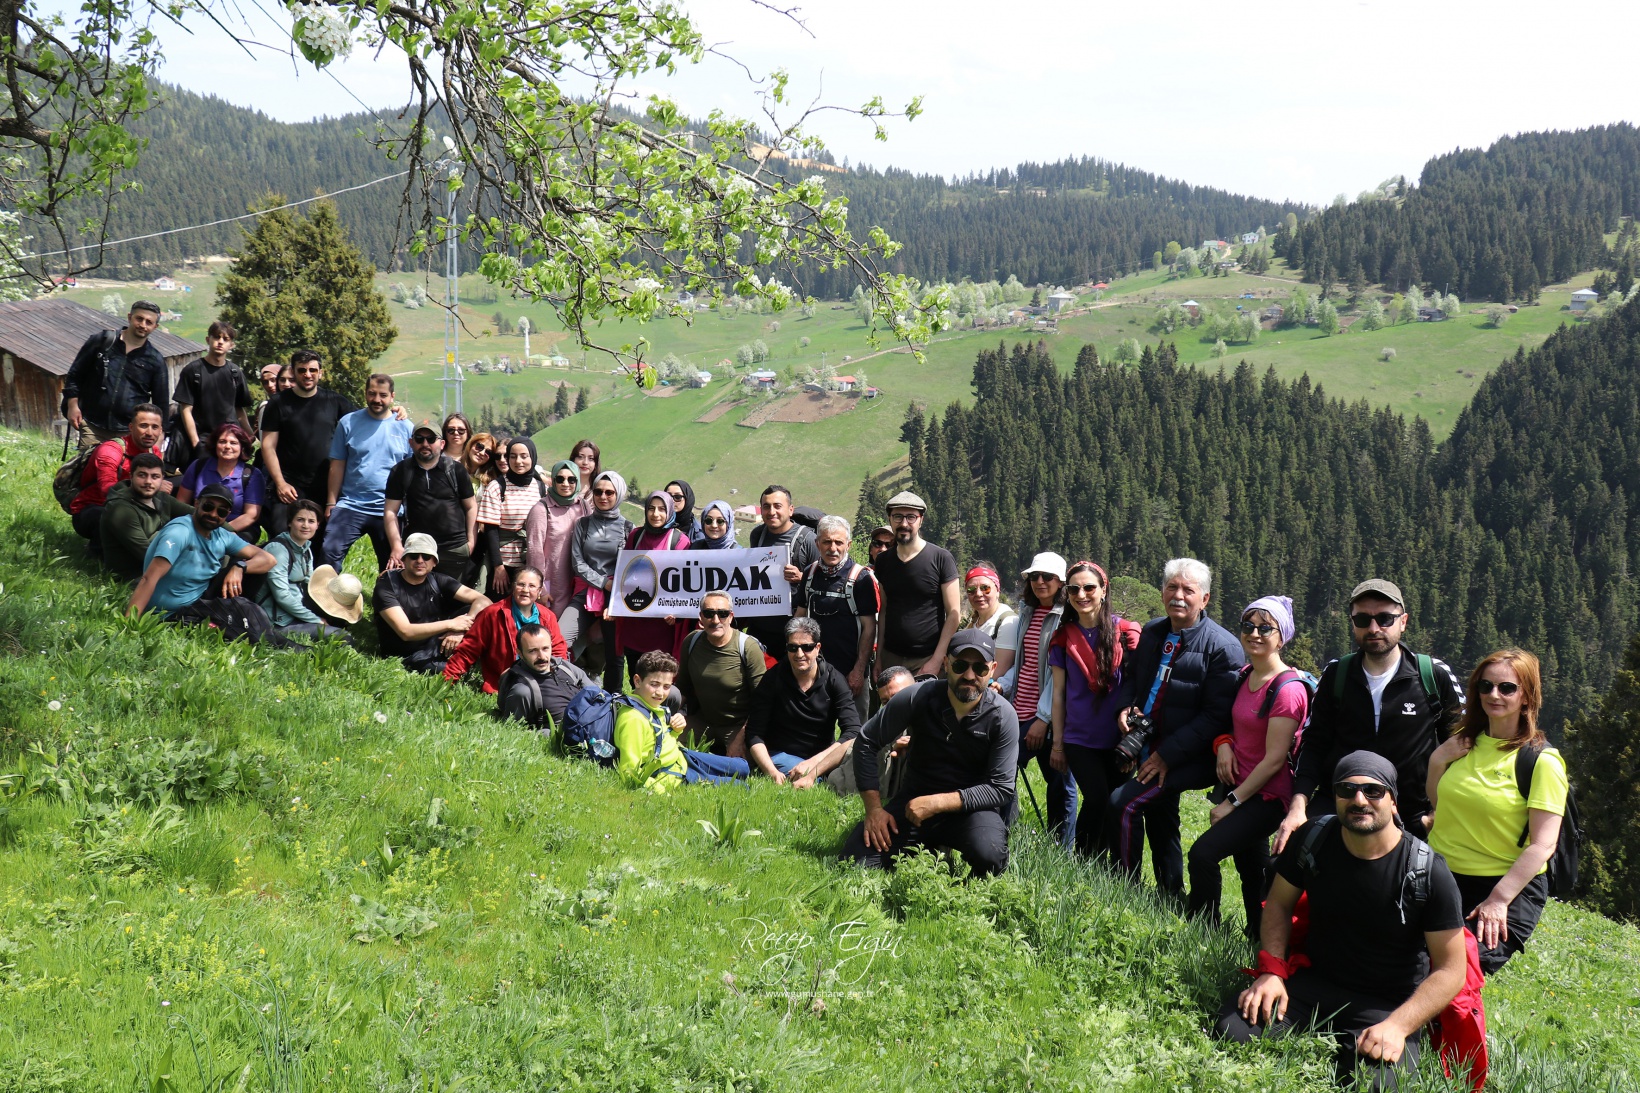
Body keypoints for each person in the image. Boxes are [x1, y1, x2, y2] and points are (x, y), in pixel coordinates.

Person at [1216, 752, 1466, 1091]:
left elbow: (1452, 970)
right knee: (1232, 1030)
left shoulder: (1426, 869)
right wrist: (1272, 969)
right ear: (1335, 797)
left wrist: (1398, 1026)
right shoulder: (1314, 838)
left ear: (1394, 801)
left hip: (1386, 1003)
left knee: (1372, 1085)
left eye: (1373, 791)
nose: (1359, 799)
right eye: (1346, 789)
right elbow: (1277, 903)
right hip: (1314, 982)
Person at [1278, 579, 1464, 854]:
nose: (1374, 628)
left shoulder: (1432, 676)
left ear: (1403, 621)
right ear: (1353, 623)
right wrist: (1298, 806)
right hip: (1341, 805)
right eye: (1363, 619)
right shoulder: (1336, 674)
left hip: (1411, 815)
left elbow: (1463, 747)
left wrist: (1438, 813)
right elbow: (1313, 744)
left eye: (1385, 618)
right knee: (1285, 868)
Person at [1107, 558, 1245, 904]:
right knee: (1161, 815)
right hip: (1148, 742)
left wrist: (1166, 756)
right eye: (1172, 587)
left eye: (1188, 589)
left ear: (1205, 598)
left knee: (1123, 805)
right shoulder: (1154, 631)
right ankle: (1171, 894)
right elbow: (1133, 680)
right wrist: (1126, 706)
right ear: (1162, 591)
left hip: (1190, 756)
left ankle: (1122, 890)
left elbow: (1215, 717)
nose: (1178, 596)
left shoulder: (1222, 648)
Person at [1426, 649, 1568, 974]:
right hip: (1444, 877)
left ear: (1527, 697)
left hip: (1503, 885)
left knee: (1458, 970)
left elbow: (1544, 844)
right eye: (1485, 686)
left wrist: (1499, 900)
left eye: (1507, 688)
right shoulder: (1462, 744)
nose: (1494, 694)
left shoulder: (1541, 762)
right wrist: (1437, 760)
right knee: (1401, 960)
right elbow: (1441, 805)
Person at [841, 628, 1019, 877]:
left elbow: (1000, 788)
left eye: (979, 668)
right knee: (855, 856)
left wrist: (936, 803)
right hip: (914, 803)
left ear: (992, 669)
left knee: (989, 856)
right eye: (960, 666)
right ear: (946, 664)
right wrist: (874, 811)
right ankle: (929, 847)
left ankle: (960, 886)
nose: (969, 675)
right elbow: (866, 741)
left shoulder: (1003, 716)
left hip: (971, 810)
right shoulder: (917, 697)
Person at [1186, 596, 1309, 933]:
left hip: (1268, 797)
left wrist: (1231, 802)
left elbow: (1273, 760)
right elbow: (1231, 725)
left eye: (1265, 628)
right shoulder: (1245, 676)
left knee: (1203, 855)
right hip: (1244, 786)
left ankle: (1202, 930)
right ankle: (1258, 934)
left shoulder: (1287, 691)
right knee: (1251, 868)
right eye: (1248, 626)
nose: (1254, 634)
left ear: (1281, 637)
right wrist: (1223, 745)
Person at [1046, 561, 1142, 858]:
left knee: (1117, 804)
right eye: (1074, 589)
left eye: (1089, 587)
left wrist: (1135, 741)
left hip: (1119, 738)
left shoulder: (1127, 633)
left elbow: (1140, 687)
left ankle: (1115, 869)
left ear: (1104, 590)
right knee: (1098, 798)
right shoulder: (1062, 638)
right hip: (1079, 739)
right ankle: (1084, 862)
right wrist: (1058, 744)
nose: (1082, 594)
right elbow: (1058, 694)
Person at [745, 617, 862, 786]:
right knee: (789, 765)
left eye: (807, 647)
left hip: (821, 758)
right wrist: (771, 772)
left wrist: (814, 765)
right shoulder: (773, 678)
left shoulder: (834, 680)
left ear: (817, 648)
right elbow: (754, 733)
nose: (799, 654)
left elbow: (852, 731)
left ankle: (817, 776)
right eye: (793, 648)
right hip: (780, 757)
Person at [127, 484, 276, 615]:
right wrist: (130, 623)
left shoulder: (222, 535)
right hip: (171, 613)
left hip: (200, 601)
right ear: (197, 503)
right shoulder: (179, 532)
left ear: (227, 515)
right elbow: (148, 578)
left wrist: (239, 567)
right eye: (208, 507)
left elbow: (268, 560)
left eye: (221, 512)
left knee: (255, 571)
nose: (213, 514)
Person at [259, 351, 357, 551]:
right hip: (288, 485)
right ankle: (280, 581)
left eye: (313, 370)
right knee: (282, 537)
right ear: (293, 373)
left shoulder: (335, 401)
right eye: (302, 370)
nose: (308, 374)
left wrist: (395, 411)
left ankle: (313, 582)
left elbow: (365, 421)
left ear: (321, 373)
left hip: (324, 486)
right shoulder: (278, 403)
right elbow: (268, 445)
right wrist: (280, 483)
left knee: (320, 542)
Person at [615, 651, 752, 792]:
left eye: (666, 686)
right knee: (741, 787)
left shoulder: (649, 704)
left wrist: (675, 730)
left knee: (743, 767)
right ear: (637, 681)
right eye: (654, 684)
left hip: (683, 757)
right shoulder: (633, 719)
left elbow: (656, 742)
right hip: (674, 773)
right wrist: (661, 791)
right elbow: (629, 771)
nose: (660, 693)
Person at [794, 514, 880, 721]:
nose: (833, 548)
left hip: (852, 671)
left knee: (856, 730)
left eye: (838, 542)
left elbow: (870, 628)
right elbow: (799, 616)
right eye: (826, 541)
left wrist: (859, 671)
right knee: (817, 729)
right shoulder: (810, 573)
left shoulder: (861, 579)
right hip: (817, 670)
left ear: (848, 544)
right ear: (817, 543)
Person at [323, 374, 413, 571]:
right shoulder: (348, 423)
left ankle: (388, 600)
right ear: (365, 394)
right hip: (351, 505)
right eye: (372, 394)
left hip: (389, 508)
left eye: (383, 395)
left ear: (392, 396)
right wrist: (331, 501)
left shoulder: (405, 427)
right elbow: (337, 465)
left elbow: (412, 472)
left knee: (393, 565)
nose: (377, 400)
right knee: (329, 552)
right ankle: (325, 599)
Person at [871, 491, 960, 680]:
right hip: (891, 657)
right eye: (898, 516)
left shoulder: (941, 558)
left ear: (921, 520)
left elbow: (954, 614)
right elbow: (885, 610)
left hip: (927, 658)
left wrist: (937, 660)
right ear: (890, 519)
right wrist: (879, 658)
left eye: (911, 517)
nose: (904, 523)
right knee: (893, 710)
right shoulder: (884, 561)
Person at [372, 532, 491, 673]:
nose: (420, 561)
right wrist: (451, 624)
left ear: (434, 562)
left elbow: (484, 600)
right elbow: (405, 631)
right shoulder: (387, 586)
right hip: (406, 653)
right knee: (454, 672)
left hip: (435, 642)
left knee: (482, 611)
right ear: (404, 559)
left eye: (426, 557)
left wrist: (460, 629)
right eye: (414, 556)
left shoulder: (438, 579)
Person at [443, 566, 568, 692]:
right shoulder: (492, 614)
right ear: (513, 586)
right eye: (521, 584)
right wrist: (446, 682)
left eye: (531, 586)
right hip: (505, 685)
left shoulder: (548, 616)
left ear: (540, 591)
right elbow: (469, 650)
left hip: (543, 683)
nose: (525, 590)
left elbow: (558, 651)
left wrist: (560, 682)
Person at [62, 300, 168, 449]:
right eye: (139, 319)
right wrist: (72, 406)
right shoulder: (102, 341)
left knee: (124, 472)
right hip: (92, 424)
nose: (143, 325)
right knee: (91, 469)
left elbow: (161, 403)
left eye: (149, 322)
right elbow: (75, 374)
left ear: (155, 327)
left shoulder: (155, 360)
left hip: (129, 431)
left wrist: (159, 438)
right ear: (130, 317)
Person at [998, 552, 1065, 778]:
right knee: (1003, 769)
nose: (1039, 582)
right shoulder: (1028, 612)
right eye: (1034, 576)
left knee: (1058, 780)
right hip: (1019, 709)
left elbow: (1061, 675)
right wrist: (1002, 684)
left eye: (1047, 576)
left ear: (1061, 582)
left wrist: (1043, 717)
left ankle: (1061, 817)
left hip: (1046, 714)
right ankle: (1004, 815)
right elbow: (1025, 663)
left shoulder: (1067, 618)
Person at [676, 591, 766, 757]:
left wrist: (741, 738)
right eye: (709, 614)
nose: (716, 620)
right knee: (664, 745)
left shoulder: (748, 647)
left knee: (740, 767)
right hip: (703, 721)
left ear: (731, 617)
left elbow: (762, 701)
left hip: (739, 725)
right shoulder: (692, 641)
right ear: (701, 617)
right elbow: (682, 687)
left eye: (722, 614)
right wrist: (667, 716)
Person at [67, 402, 167, 550]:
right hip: (93, 508)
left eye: (155, 427)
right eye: (143, 426)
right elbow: (109, 491)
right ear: (131, 427)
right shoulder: (111, 450)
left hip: (133, 508)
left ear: (161, 431)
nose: (149, 433)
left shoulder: (155, 453)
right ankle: (97, 553)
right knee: (110, 515)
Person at [567, 469, 633, 691]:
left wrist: (611, 589)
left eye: (609, 492)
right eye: (598, 492)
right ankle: (566, 687)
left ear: (619, 495)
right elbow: (577, 562)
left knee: (615, 653)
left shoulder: (628, 528)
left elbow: (629, 565)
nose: (603, 497)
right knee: (560, 638)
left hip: (614, 596)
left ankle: (612, 698)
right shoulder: (583, 524)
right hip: (586, 591)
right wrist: (602, 582)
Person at [614, 490, 692, 676]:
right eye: (651, 508)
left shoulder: (679, 541)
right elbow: (624, 572)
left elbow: (684, 583)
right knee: (637, 678)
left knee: (659, 678)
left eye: (661, 509)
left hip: (662, 628)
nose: (655, 514)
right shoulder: (636, 536)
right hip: (635, 624)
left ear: (670, 511)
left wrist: (677, 610)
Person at [384, 425, 476, 581]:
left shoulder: (456, 470)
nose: (425, 444)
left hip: (454, 547)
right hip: (417, 549)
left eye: (431, 439)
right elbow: (390, 511)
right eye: (419, 439)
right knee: (417, 598)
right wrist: (396, 545)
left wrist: (471, 541)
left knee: (453, 600)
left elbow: (471, 506)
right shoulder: (400, 471)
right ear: (411, 443)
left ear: (442, 444)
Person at [257, 500, 357, 638]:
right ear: (290, 522)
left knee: (340, 621)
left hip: (297, 609)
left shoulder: (306, 549)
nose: (305, 525)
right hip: (279, 621)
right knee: (343, 637)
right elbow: (282, 596)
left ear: (318, 525)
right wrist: (315, 620)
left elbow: (311, 585)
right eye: (300, 520)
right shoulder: (278, 549)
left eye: (311, 521)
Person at [742, 484, 819, 655]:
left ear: (790, 510)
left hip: (792, 630)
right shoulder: (757, 535)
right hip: (760, 627)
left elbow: (822, 582)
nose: (771, 512)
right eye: (766, 506)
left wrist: (801, 577)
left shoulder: (808, 539)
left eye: (777, 506)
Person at [524, 459, 593, 634]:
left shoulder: (582, 505)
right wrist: (540, 589)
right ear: (553, 481)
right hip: (553, 582)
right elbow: (534, 551)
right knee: (550, 629)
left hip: (577, 579)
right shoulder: (542, 509)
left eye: (571, 479)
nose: (566, 484)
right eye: (560, 479)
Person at [99, 452, 193, 579]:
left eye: (155, 477)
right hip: (134, 576)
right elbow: (147, 554)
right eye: (142, 475)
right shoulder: (120, 508)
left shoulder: (161, 497)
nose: (148, 482)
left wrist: (229, 531)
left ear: (162, 478)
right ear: (131, 476)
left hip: (163, 562)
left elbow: (198, 515)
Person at [826, 665, 916, 796]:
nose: (893, 706)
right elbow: (854, 745)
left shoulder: (936, 713)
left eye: (899, 697)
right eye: (886, 702)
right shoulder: (882, 725)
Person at [477, 437, 548, 598]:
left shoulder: (540, 487)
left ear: (533, 457)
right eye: (513, 456)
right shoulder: (497, 486)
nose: (518, 461)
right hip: (504, 564)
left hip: (530, 563)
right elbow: (491, 530)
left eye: (524, 456)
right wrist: (498, 567)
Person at [174, 321, 253, 460]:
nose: (220, 342)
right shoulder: (193, 371)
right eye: (216, 337)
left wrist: (250, 436)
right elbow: (186, 410)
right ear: (208, 339)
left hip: (230, 439)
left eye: (225, 339)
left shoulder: (235, 372)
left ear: (231, 345)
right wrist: (196, 443)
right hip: (204, 440)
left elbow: (239, 410)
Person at [175, 423, 265, 542]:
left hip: (236, 530)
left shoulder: (252, 474)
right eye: (222, 441)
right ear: (215, 445)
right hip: (197, 526)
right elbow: (181, 503)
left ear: (242, 447)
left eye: (233, 443)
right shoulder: (198, 466)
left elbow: (251, 515)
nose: (227, 446)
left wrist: (219, 532)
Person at [497, 621, 594, 731]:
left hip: (595, 720)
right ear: (520, 653)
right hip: (569, 734)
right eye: (533, 651)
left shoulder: (564, 667)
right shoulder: (522, 691)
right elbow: (511, 728)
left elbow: (598, 695)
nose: (542, 656)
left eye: (545, 648)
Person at [963, 562, 1017, 645]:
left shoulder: (1008, 622)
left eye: (985, 588)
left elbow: (1002, 658)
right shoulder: (974, 623)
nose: (978, 594)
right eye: (971, 589)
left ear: (998, 590)